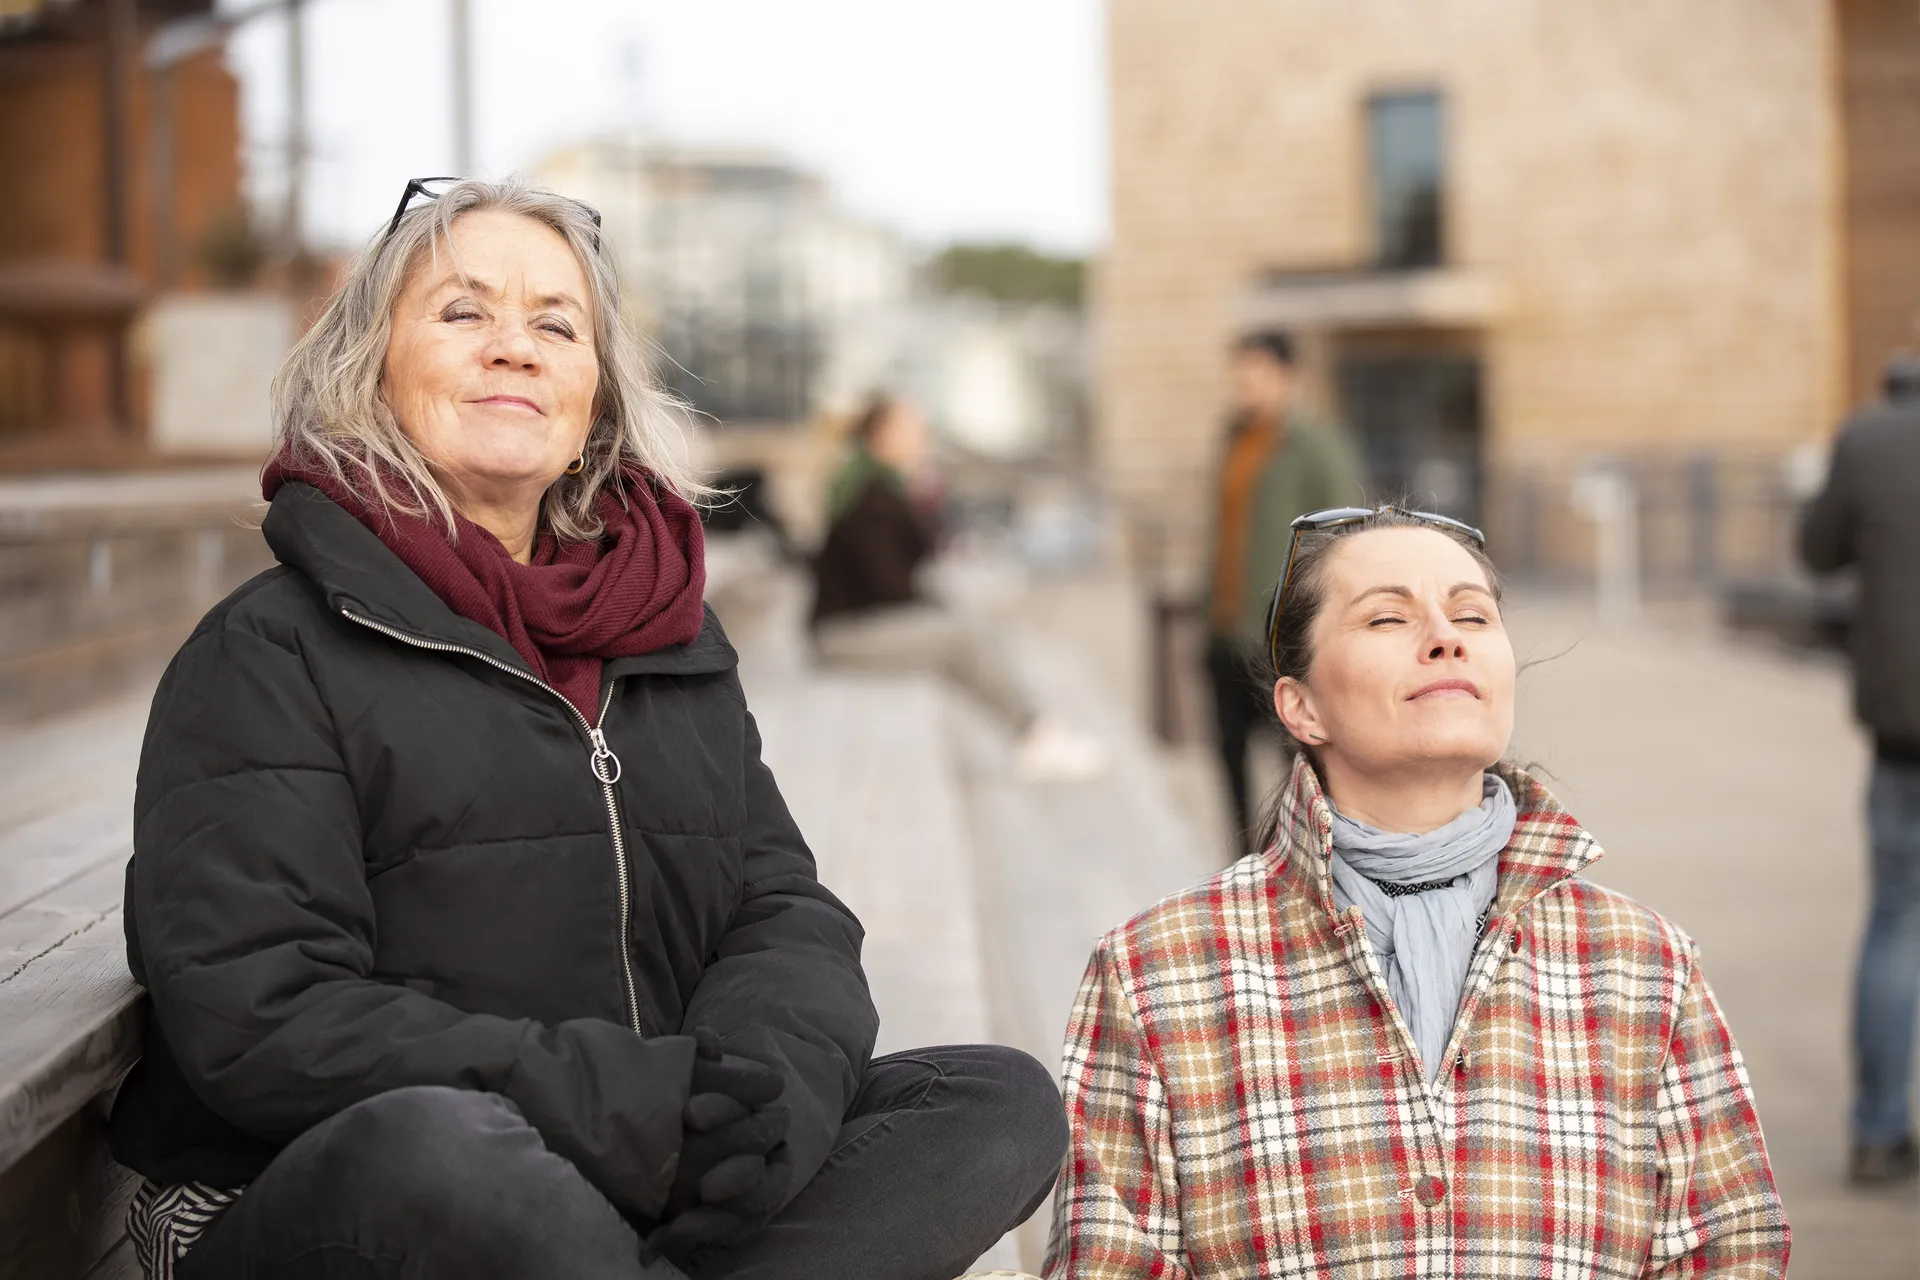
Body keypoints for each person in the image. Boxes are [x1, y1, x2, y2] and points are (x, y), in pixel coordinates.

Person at [108, 177, 1067, 1280]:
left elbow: (782, 909)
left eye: (555, 324)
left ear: (595, 396)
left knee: (992, 1103)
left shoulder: (664, 635)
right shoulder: (273, 650)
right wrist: (631, 1109)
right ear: (370, 366)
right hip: (351, 1188)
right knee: (452, 1155)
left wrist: (753, 1114)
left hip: (631, 1177)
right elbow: (263, 1011)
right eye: (463, 313)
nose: (514, 347)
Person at [1047, 506, 1789, 1278]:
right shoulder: (1155, 975)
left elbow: (1731, 1246)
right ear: (1301, 707)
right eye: (1387, 618)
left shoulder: (1647, 968)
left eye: (1472, 613)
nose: (1447, 637)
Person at [810, 393, 1104, 782]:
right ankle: (1035, 734)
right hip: (845, 635)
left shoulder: (879, 485)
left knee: (971, 625)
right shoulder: (869, 494)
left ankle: (1036, 729)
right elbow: (890, 585)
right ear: (882, 436)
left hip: (862, 622)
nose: (922, 439)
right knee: (963, 637)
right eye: (912, 430)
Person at [1799, 349, 1920, 1186]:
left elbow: (1816, 550)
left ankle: (1878, 1134)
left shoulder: (1869, 439)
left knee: (1894, 923)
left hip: (1902, 731)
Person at [1203, 331, 1364, 855]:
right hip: (1225, 628)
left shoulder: (1316, 446)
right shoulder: (1232, 438)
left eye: (1256, 373)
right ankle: (1241, 863)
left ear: (1286, 378)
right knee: (1227, 755)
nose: (1244, 385)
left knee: (1293, 763)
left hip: (1278, 636)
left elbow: (1341, 537)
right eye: (1239, 373)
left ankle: (1297, 867)